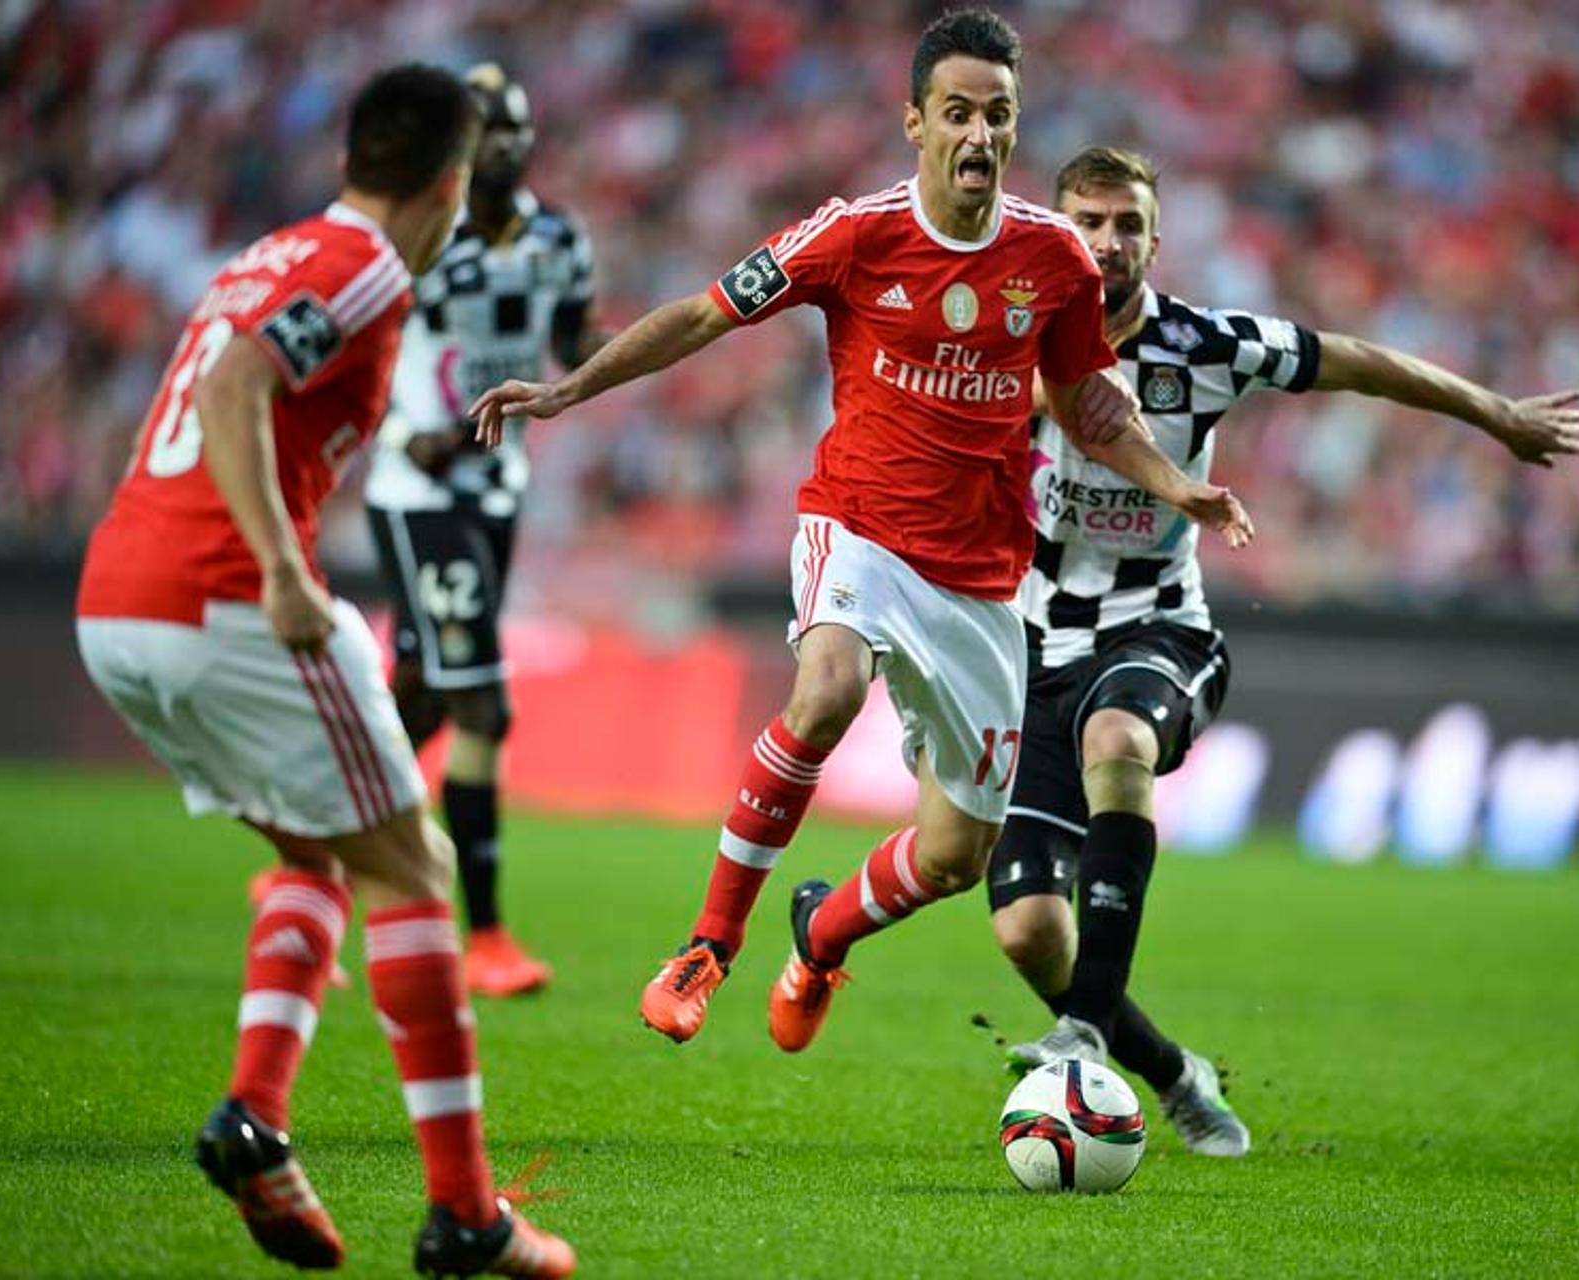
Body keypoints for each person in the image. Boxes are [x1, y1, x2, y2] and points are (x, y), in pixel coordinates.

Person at [469, 8, 1251, 1054]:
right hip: (860, 528)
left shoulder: (1054, 258)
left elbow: (1086, 402)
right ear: (916, 124)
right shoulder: (853, 233)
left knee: (954, 855)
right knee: (828, 688)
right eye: (959, 113)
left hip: (982, 578)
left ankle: (822, 933)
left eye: (1000, 115)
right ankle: (707, 945)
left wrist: (1176, 485)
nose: (980, 135)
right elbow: (706, 313)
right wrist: (571, 391)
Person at [74, 64, 575, 1278]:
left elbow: (226, 375)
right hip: (229, 597)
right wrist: (284, 574)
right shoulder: (367, 266)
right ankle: (465, 1212)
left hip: (116, 607)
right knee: (414, 863)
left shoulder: (277, 249)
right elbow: (241, 385)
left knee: (318, 853)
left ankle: (253, 1117)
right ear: (451, 181)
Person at [987, 145, 1579, 1155]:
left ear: (1154, 239)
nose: (1109, 240)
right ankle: (1173, 1070)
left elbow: (1358, 359)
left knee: (1122, 738)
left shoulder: (1204, 344)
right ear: (1059, 232)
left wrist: (1499, 413)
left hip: (1160, 629)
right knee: (1027, 931)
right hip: (1034, 646)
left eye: (1128, 222)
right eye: (1089, 220)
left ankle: (1081, 1036)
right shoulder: (1012, 343)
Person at [363, 62, 606, 997]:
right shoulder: (423, 235)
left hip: (496, 487)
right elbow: (365, 343)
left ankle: (309, 845)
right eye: (486, 131)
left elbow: (575, 340)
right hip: (418, 491)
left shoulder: (558, 237)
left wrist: (646, 347)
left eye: (516, 127)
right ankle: (488, 937)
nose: (505, 144)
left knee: (425, 688)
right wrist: (401, 428)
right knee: (483, 705)